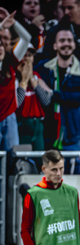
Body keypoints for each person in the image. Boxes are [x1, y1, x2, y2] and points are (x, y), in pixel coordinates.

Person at [35, 28, 80, 154]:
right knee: (48, 171)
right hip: (47, 130)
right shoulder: (42, 68)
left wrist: (52, 94)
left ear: (74, 44)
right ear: (55, 45)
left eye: (69, 40)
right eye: (62, 41)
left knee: (72, 172)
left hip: (72, 134)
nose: (66, 44)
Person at [0, 8, 31, 152]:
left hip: (9, 118)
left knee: (13, 160)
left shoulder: (11, 62)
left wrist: (13, 23)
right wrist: (1, 26)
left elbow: (26, 39)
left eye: (4, 40)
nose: (2, 44)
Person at [16, 44, 52, 152]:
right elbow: (16, 104)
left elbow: (46, 101)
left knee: (39, 159)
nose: (27, 59)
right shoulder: (13, 77)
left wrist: (33, 82)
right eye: (24, 55)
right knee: (22, 161)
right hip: (21, 124)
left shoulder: (37, 77)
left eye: (30, 55)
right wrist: (24, 81)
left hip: (38, 125)